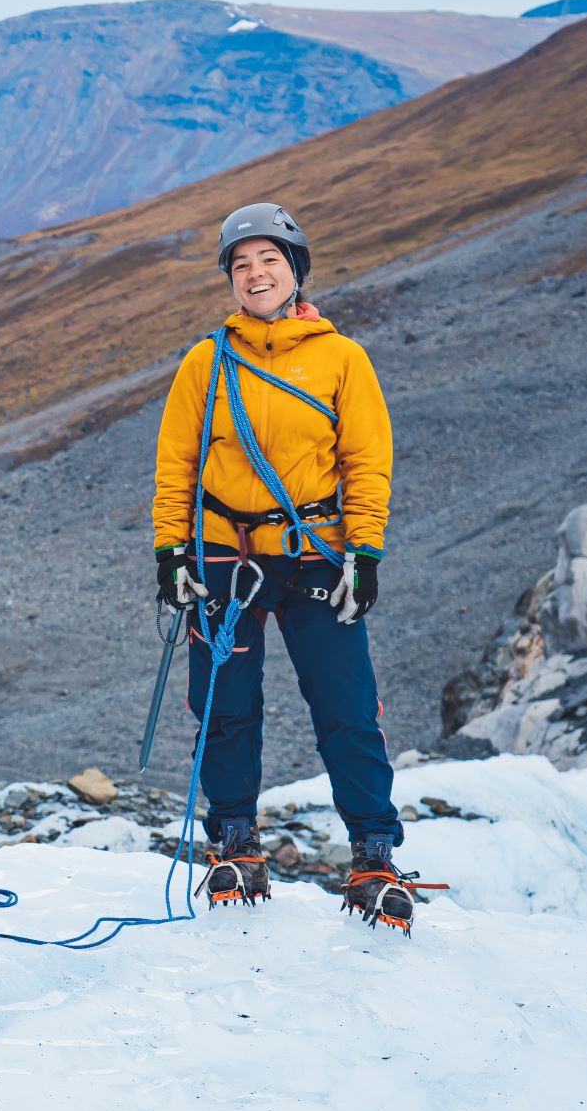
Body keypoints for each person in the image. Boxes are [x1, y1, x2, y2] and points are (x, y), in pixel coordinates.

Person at [151, 202, 421, 930]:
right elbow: (176, 464)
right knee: (223, 708)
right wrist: (171, 550)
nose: (254, 273)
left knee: (346, 706)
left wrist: (364, 555)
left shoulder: (342, 359)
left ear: (295, 270)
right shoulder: (205, 360)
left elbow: (367, 463)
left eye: (268, 260)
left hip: (313, 550)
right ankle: (235, 844)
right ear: (230, 282)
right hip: (220, 553)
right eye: (240, 264)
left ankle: (374, 856)